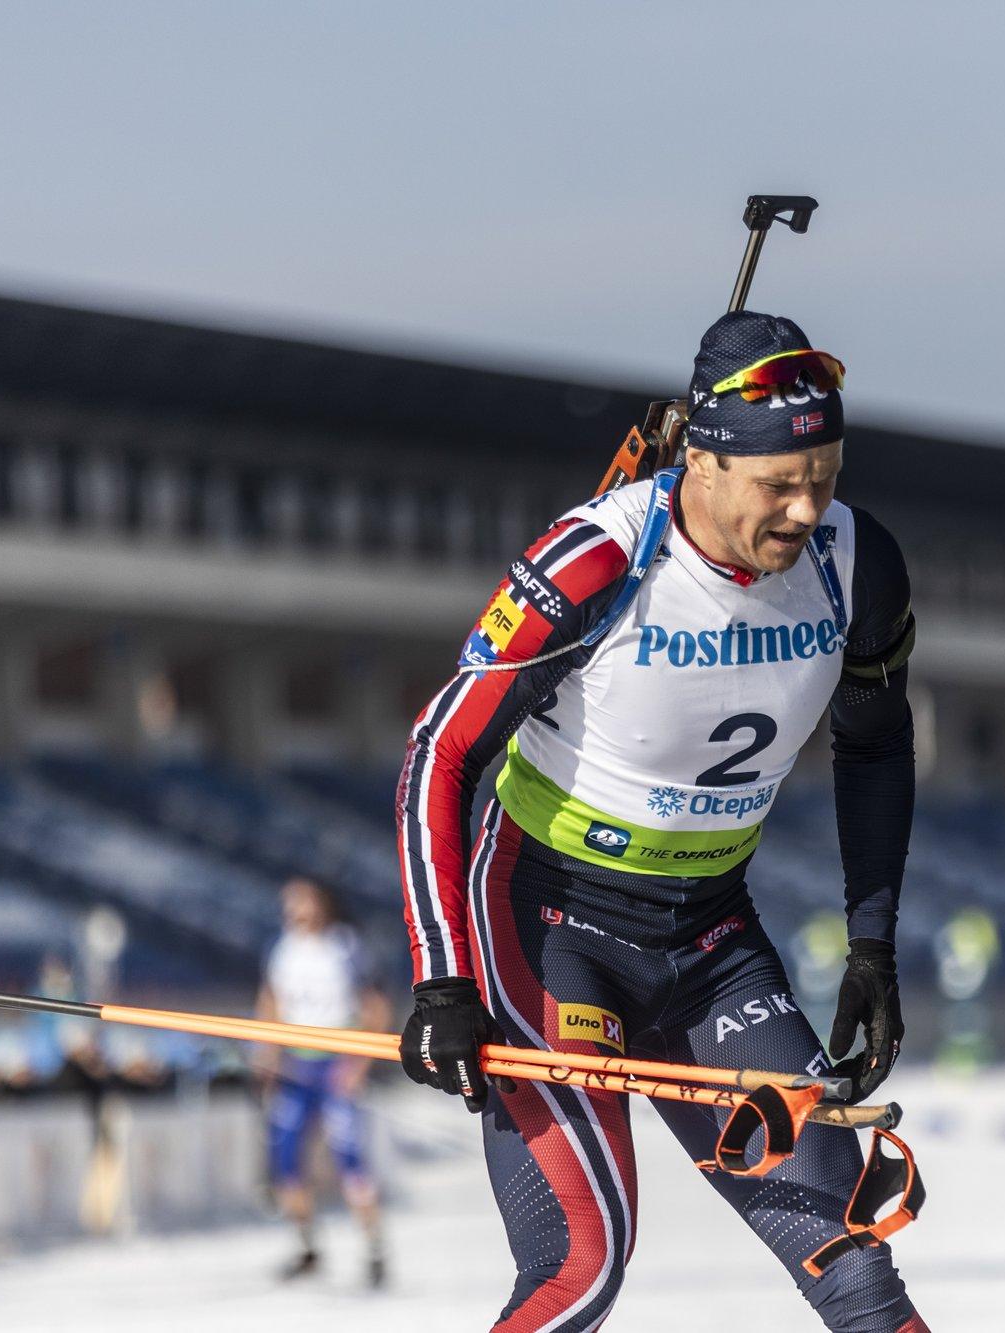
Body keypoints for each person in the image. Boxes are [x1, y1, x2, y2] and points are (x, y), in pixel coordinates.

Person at [395, 310, 926, 1333]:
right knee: (579, 1264)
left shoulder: (858, 563)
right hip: (546, 926)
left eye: (824, 475)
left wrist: (871, 950)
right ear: (706, 462)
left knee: (855, 1268)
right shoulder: (597, 559)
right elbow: (439, 749)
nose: (805, 507)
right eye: (779, 482)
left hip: (708, 937)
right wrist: (442, 978)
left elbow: (873, 746)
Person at [256, 875, 390, 1287]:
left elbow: (375, 1006)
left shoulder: (345, 946)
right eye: (290, 904)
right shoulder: (282, 949)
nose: (296, 912)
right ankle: (306, 1245)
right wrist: (268, 1056)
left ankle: (373, 1250)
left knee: (350, 1160)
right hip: (296, 1067)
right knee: (286, 1160)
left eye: (303, 903)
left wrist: (358, 1064)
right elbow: (271, 1002)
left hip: (335, 1062)